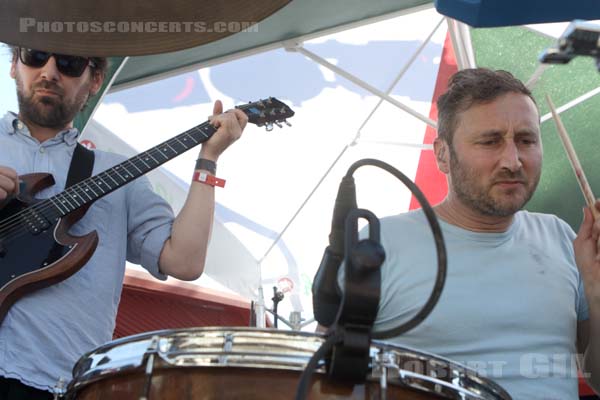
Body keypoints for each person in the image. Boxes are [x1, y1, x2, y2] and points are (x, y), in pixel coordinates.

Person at [328, 68, 600, 399]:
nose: (513, 161)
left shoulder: (561, 236)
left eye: (526, 140)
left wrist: (596, 290)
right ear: (442, 154)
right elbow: (322, 377)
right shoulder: (380, 243)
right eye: (490, 141)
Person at [0, 46, 248, 398]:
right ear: (13, 64)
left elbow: (185, 261)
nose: (50, 72)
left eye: (69, 62)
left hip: (57, 381)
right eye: (35, 57)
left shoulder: (117, 175)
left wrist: (208, 159)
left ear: (95, 80)